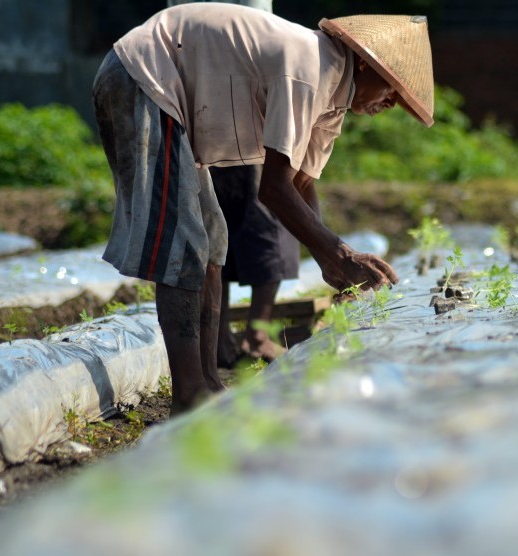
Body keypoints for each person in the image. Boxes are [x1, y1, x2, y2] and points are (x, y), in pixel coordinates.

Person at [92, 3, 435, 414]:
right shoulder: (310, 69)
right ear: (364, 65)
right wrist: (338, 254)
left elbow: (299, 182)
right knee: (181, 242)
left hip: (171, 96)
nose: (392, 103)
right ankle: (188, 395)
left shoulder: (333, 100)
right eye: (392, 87)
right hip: (145, 77)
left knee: (212, 242)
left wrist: (329, 260)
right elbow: (272, 189)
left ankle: (209, 384)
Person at [169, 0, 287, 368]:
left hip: (245, 97)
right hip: (209, 100)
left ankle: (253, 333)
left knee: (252, 225)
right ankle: (225, 337)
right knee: (216, 228)